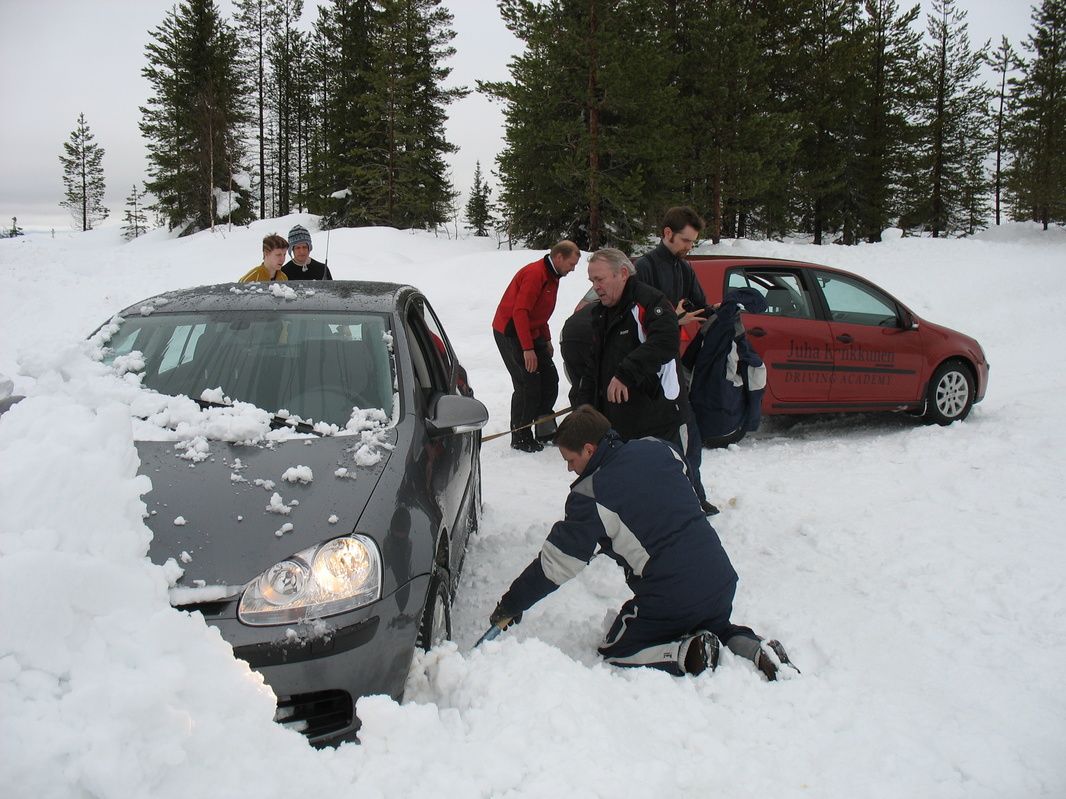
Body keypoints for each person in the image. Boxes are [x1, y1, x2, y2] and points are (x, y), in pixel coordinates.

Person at [489, 405, 796, 679]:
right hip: (720, 580)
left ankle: (686, 653)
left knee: (617, 648)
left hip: (671, 596)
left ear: (589, 450)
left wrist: (512, 604)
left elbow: (555, 565)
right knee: (716, 625)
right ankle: (759, 650)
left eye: (570, 460)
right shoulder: (659, 448)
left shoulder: (590, 496)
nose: (570, 469)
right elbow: (684, 488)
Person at [635, 206, 717, 514]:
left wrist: (723, 311)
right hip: (644, 367)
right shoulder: (644, 268)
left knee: (687, 432)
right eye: (685, 240)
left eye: (693, 242)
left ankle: (692, 495)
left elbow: (700, 307)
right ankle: (655, 501)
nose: (689, 247)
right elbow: (637, 320)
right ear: (667, 233)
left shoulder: (684, 269)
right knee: (652, 440)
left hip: (672, 365)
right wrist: (673, 319)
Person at [571, 247, 685, 446]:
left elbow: (666, 341)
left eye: (600, 279)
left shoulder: (650, 301)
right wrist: (586, 406)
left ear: (623, 273)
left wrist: (625, 374)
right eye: (592, 281)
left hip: (659, 421)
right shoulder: (602, 312)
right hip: (620, 421)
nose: (596, 287)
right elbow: (595, 363)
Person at [492, 240, 581, 452]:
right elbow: (520, 312)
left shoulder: (553, 276)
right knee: (527, 383)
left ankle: (545, 429)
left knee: (550, 379)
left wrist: (546, 339)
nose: (572, 269)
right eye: (571, 264)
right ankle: (520, 436)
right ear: (559, 257)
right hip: (512, 331)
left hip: (532, 331)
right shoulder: (535, 274)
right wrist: (527, 349)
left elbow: (540, 312)